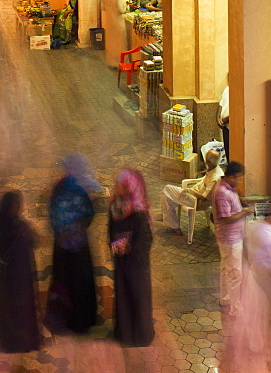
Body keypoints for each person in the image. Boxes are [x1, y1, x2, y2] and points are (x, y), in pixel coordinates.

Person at [46, 154, 99, 334]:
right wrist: (77, 230)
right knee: (80, 283)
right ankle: (81, 320)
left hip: (62, 246)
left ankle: (63, 318)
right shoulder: (79, 189)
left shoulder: (60, 187)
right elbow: (88, 213)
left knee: (64, 280)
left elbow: (53, 213)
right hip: (78, 247)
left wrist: (61, 231)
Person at [0, 191, 42, 353]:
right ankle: (21, 342)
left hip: (3, 279)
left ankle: (7, 340)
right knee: (21, 312)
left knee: (7, 310)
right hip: (19, 278)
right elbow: (35, 241)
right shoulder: (19, 228)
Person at [108, 169, 154, 346]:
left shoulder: (139, 211)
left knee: (137, 296)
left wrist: (129, 249)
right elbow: (110, 230)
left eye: (119, 185)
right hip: (121, 262)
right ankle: (124, 334)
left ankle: (140, 335)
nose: (116, 188)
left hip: (136, 264)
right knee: (123, 296)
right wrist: (115, 246)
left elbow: (146, 240)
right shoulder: (115, 206)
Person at [212, 161, 254, 316]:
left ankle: (225, 299)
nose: (239, 181)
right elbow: (225, 218)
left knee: (226, 269)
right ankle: (236, 308)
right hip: (230, 238)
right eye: (237, 178)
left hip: (229, 237)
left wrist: (240, 205)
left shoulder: (228, 188)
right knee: (235, 274)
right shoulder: (223, 193)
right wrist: (244, 212)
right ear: (229, 176)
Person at [243, 206, 271, 355]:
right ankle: (270, 353)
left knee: (256, 314)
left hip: (254, 277)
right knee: (267, 316)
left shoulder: (254, 227)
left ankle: (255, 344)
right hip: (266, 281)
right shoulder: (270, 240)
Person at [161, 142, 224, 233]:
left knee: (167, 189)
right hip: (194, 194)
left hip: (197, 201)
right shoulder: (214, 169)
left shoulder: (215, 178)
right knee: (167, 197)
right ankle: (173, 225)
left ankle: (171, 223)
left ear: (208, 161)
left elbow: (204, 197)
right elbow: (203, 182)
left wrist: (189, 191)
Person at [101, 0, 130, 68]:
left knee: (111, 43)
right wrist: (126, 6)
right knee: (120, 43)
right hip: (118, 22)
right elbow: (121, 10)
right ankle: (121, 62)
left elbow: (103, 8)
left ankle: (112, 62)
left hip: (109, 22)